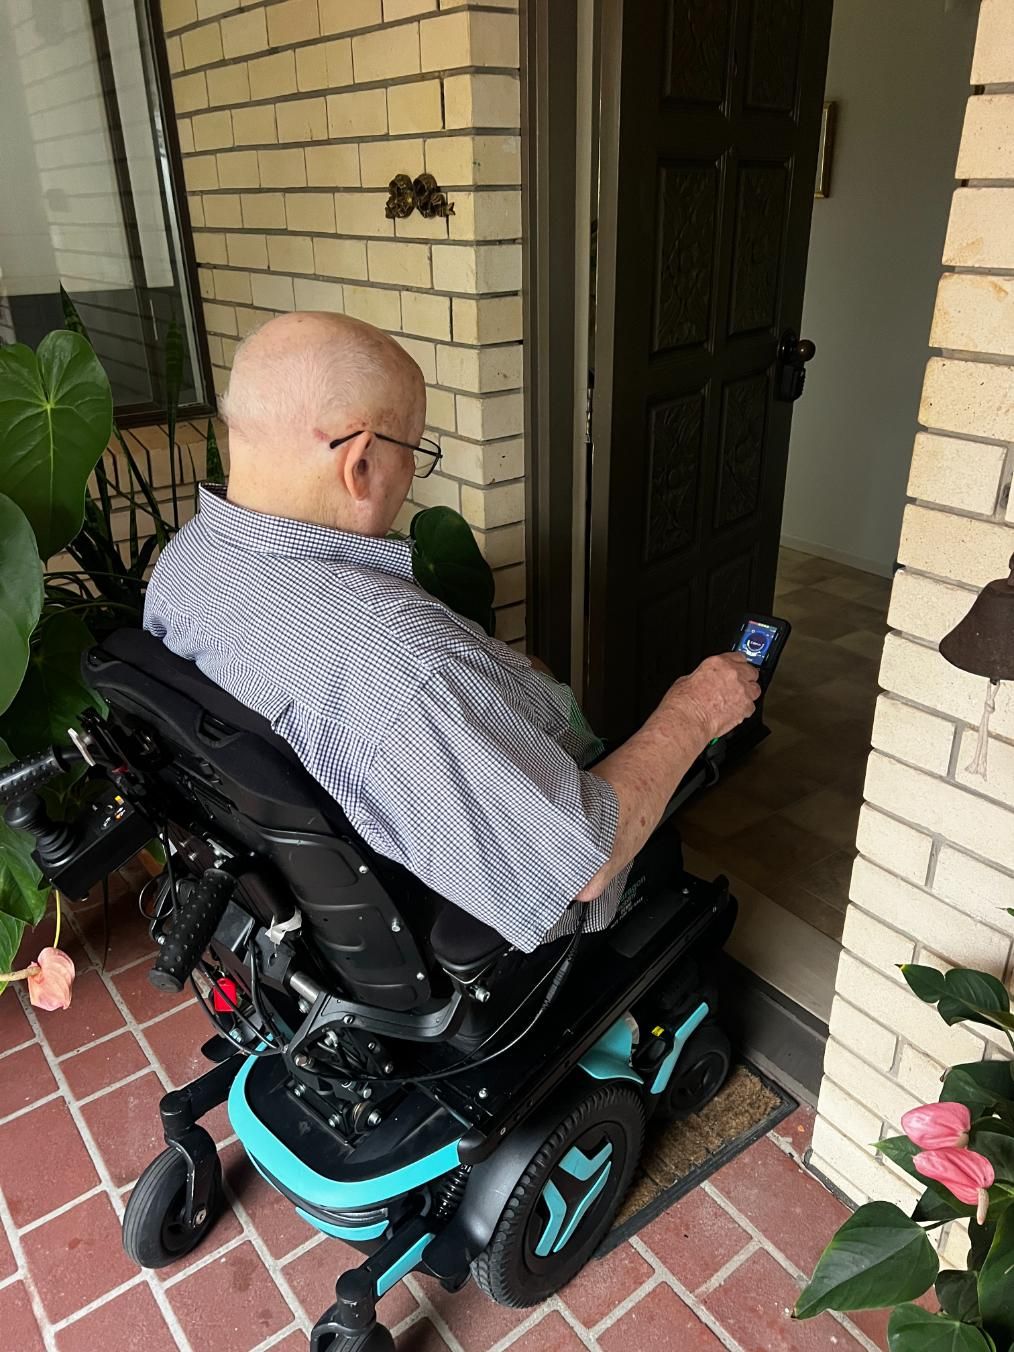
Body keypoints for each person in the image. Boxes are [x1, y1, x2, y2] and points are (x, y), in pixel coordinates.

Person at [144, 312, 759, 951]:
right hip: (511, 919)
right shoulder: (406, 665)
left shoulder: (188, 564)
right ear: (359, 467)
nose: (412, 474)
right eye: (413, 452)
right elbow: (585, 864)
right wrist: (694, 711)